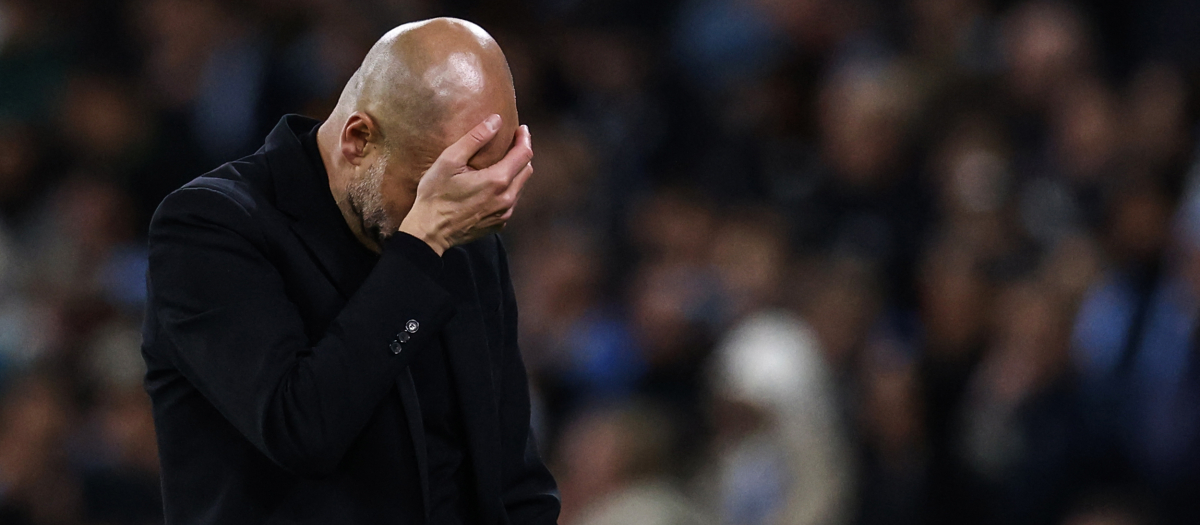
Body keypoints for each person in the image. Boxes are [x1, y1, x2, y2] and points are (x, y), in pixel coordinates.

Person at [140, 17, 559, 524]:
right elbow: (301, 431)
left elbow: (513, 479)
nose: (454, 211)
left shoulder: (462, 236)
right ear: (358, 140)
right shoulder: (212, 227)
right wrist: (422, 244)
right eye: (426, 190)